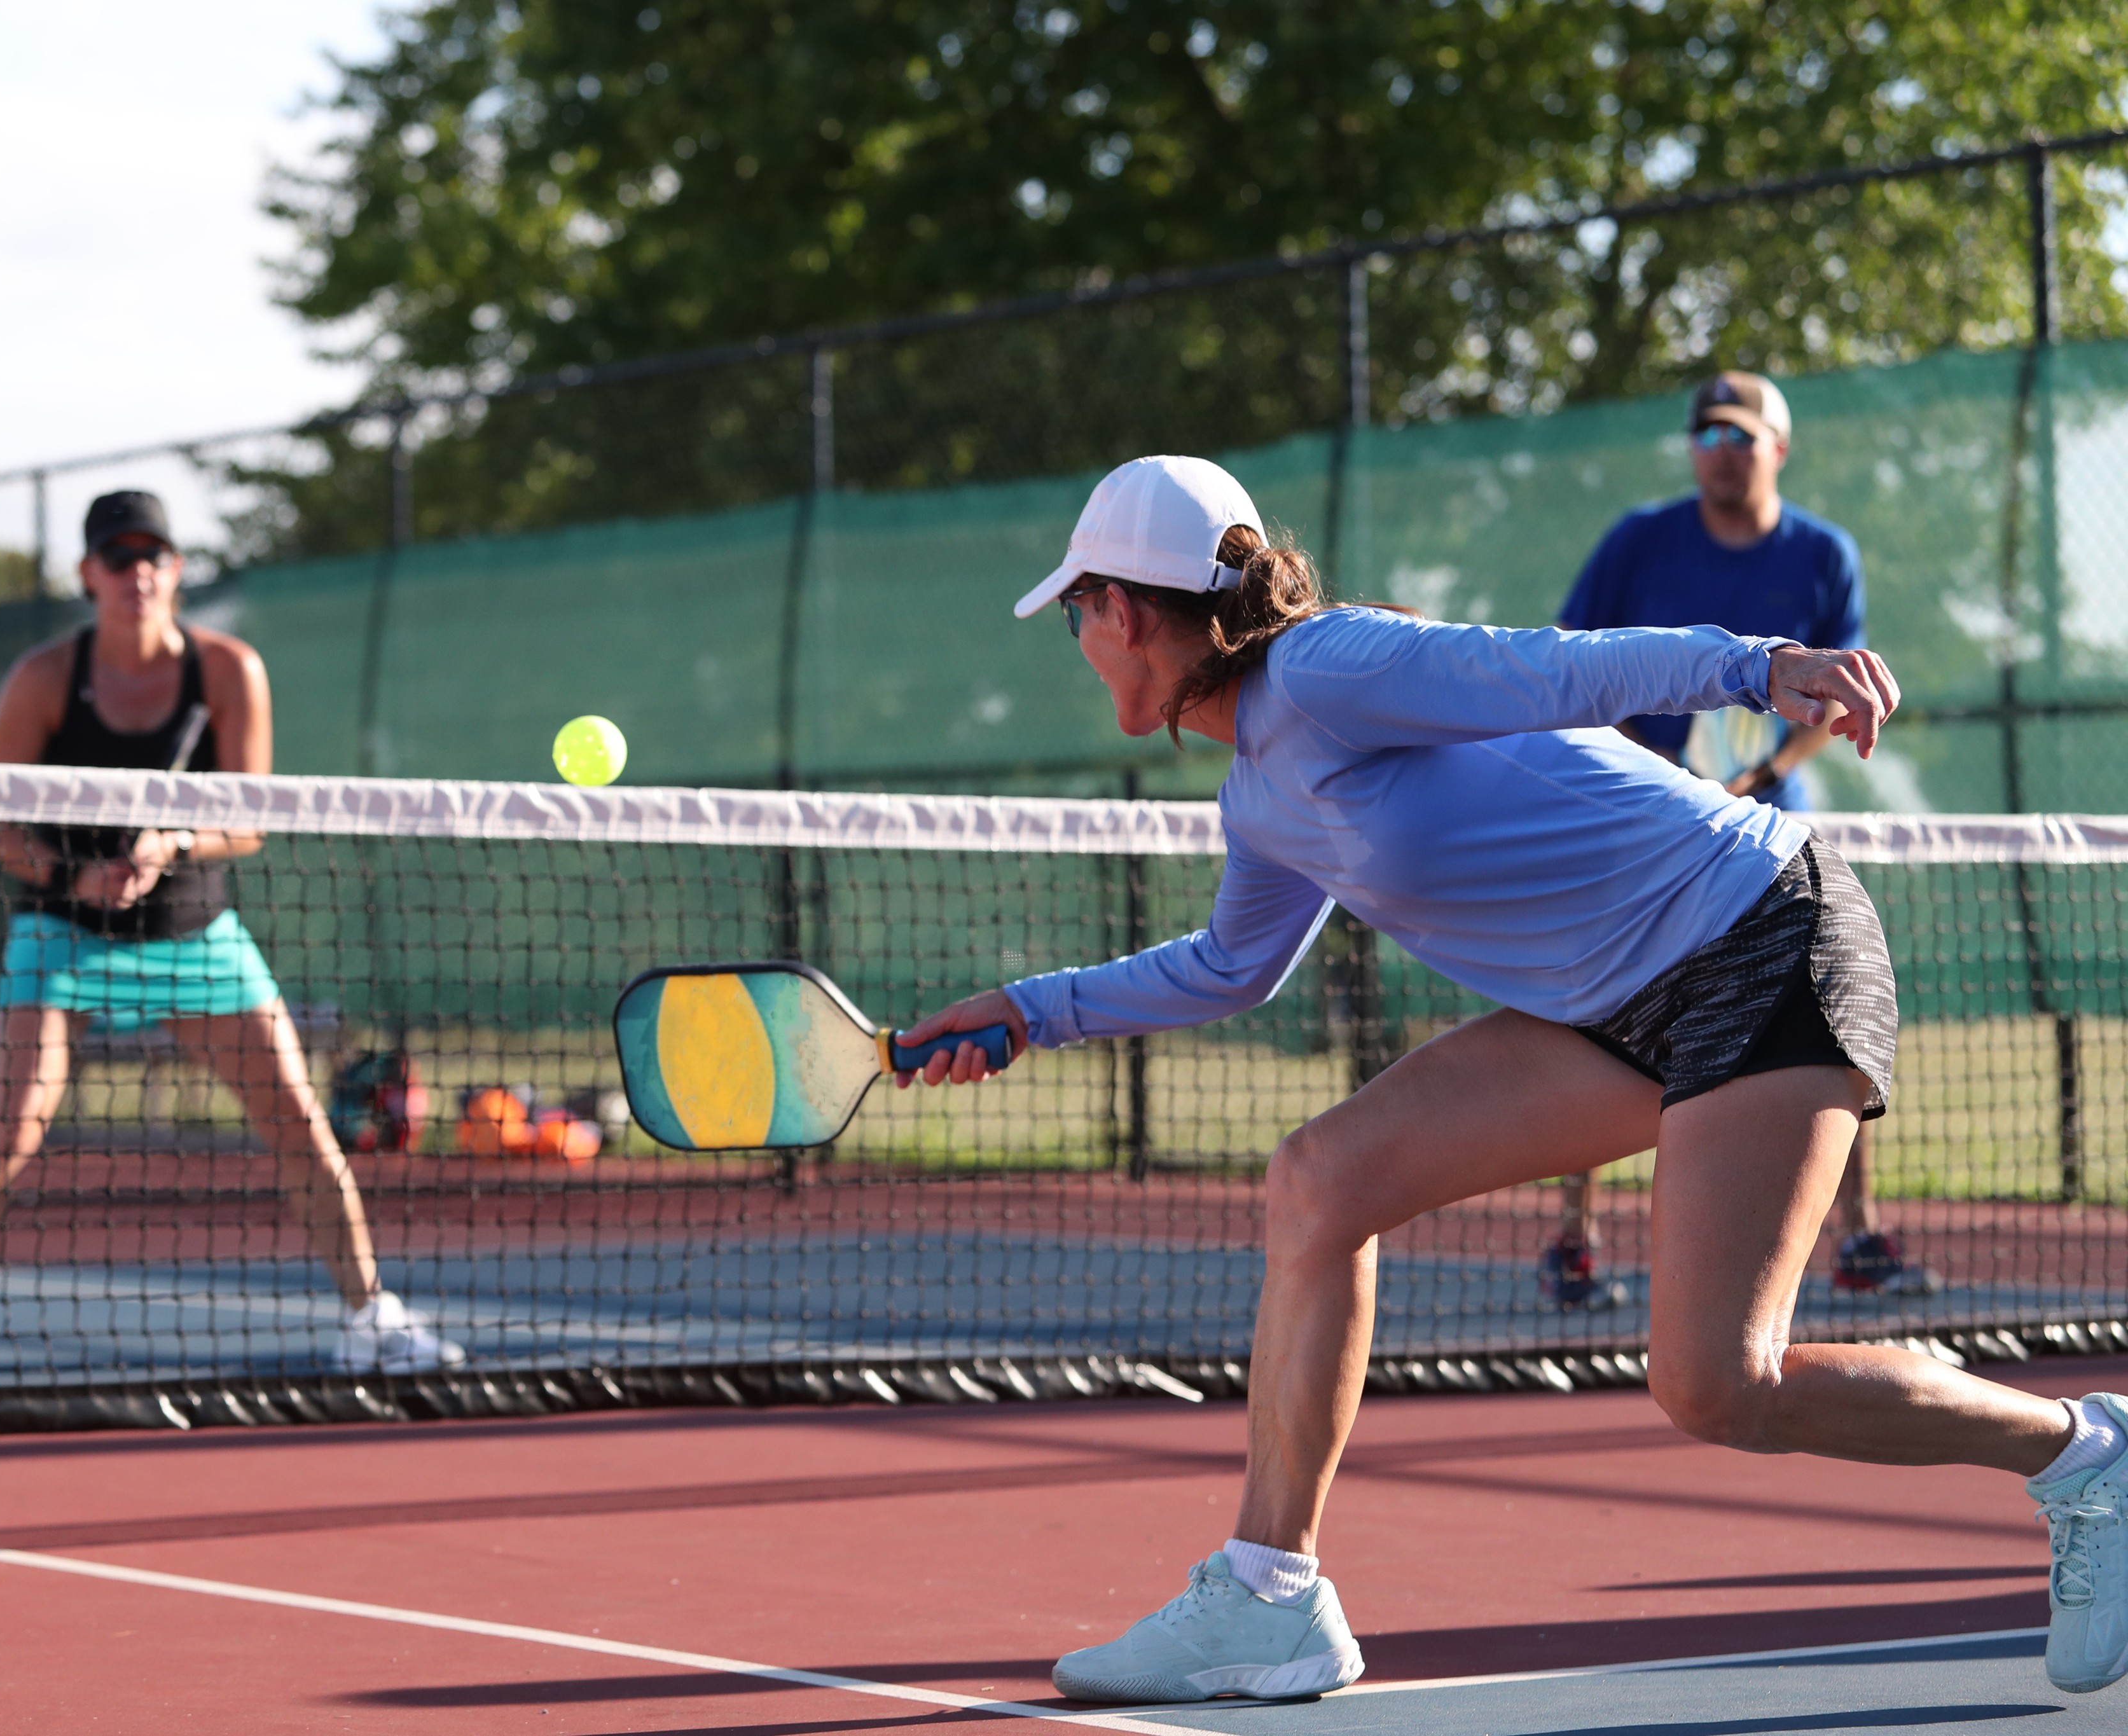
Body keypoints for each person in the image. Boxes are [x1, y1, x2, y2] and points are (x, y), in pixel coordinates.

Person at [899, 455, 2128, 1703]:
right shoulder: (1260, 796)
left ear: (1116, 610)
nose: (1077, 639)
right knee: (1320, 1181)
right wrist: (1022, 1011)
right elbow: (1229, 969)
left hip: (1759, 937)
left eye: (1074, 613)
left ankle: (2085, 1455)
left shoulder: (1328, 666)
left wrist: (1759, 666)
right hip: (1605, 1006)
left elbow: (1554, 669)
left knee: (1716, 1383)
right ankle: (1267, 1597)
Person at [0, 490, 462, 1387]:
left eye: (154, 554)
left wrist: (175, 841)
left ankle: (368, 1317)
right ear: (89, 576)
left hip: (196, 931)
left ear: (178, 570)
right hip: (63, 933)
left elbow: (252, 820)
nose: (138, 572)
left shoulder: (229, 669)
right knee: (10, 1129)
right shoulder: (44, 679)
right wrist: (63, 875)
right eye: (119, 557)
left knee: (304, 1128)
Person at [1546, 372, 1933, 1312]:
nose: (1722, 451)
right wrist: (1645, 778)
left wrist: (1754, 779)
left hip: (1768, 842)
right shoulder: (1638, 541)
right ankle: (1574, 1239)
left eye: (1741, 436)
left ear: (1779, 448)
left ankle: (1857, 1238)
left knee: (1830, 1015)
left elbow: (1838, 690)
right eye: (1707, 435)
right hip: (1641, 819)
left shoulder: (1823, 554)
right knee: (1597, 1004)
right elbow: (1567, 661)